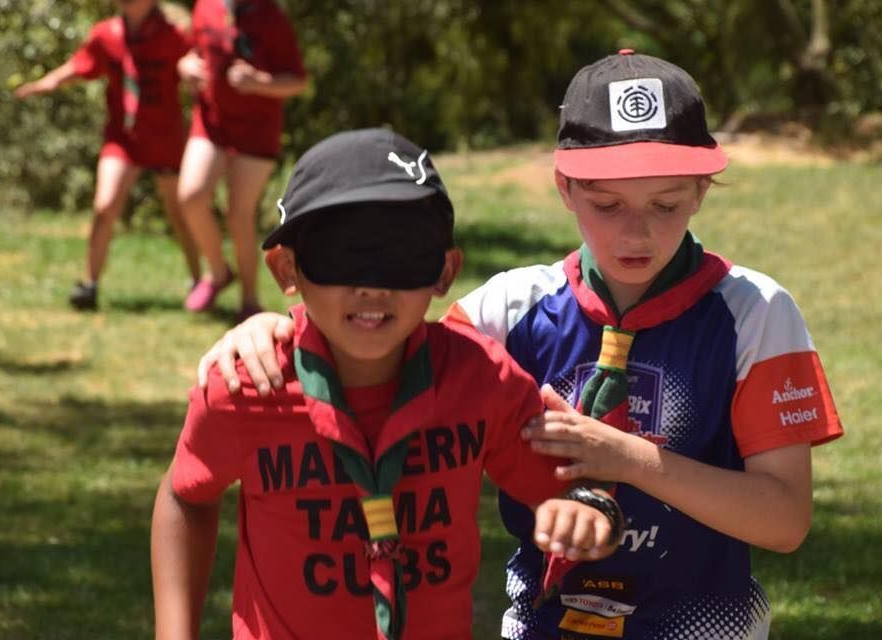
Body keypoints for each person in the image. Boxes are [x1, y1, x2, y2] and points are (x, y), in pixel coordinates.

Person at [194, 51, 846, 639]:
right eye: (606, 203)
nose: (637, 232)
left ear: (703, 190)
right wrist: (278, 327)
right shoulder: (507, 308)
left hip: (705, 628)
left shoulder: (755, 313)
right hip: (542, 627)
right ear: (563, 187)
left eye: (667, 204)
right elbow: (373, 352)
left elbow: (784, 519)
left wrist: (628, 459)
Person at [151, 128, 624, 640]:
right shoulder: (249, 384)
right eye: (338, 256)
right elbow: (186, 494)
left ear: (444, 271)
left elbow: (578, 494)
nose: (371, 285)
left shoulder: (480, 378)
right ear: (288, 268)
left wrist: (582, 513)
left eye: (401, 256)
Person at [15, 0, 201, 311]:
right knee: (104, 206)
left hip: (164, 138)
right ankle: (89, 285)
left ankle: (199, 281)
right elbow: (81, 64)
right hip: (122, 139)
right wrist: (48, 82)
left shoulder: (174, 34)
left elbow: (200, 63)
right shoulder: (106, 34)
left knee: (179, 216)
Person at [176, 0, 308, 321]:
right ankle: (219, 273)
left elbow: (297, 81)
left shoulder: (272, 17)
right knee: (191, 196)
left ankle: (249, 300)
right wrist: (185, 67)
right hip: (211, 122)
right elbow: (192, 53)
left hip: (257, 130)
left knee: (239, 214)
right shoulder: (204, 7)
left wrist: (259, 83)